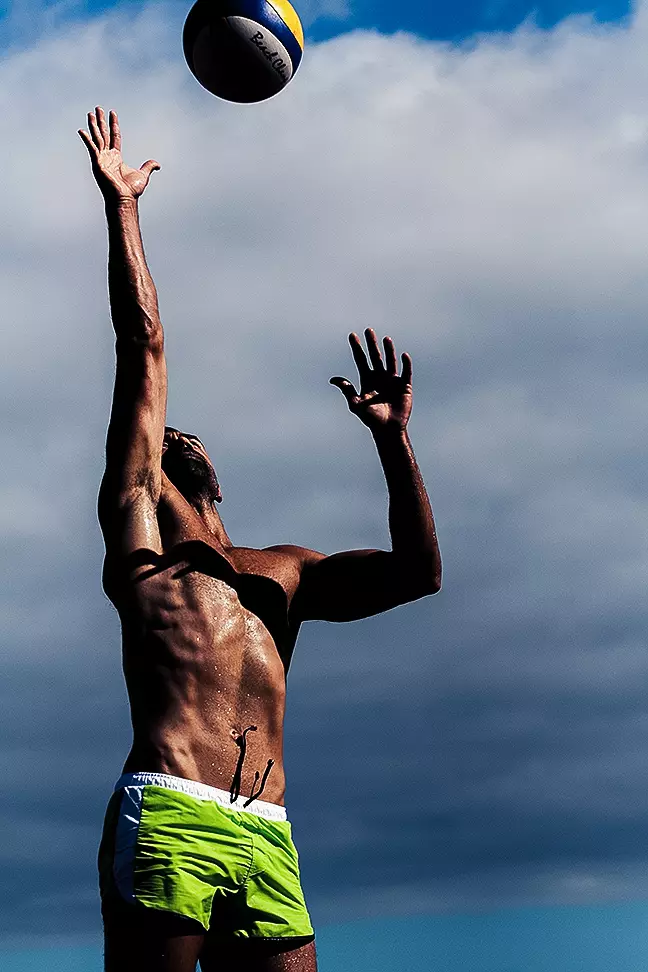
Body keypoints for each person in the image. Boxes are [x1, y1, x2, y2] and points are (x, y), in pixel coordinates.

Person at [79, 107, 442, 972]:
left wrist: (393, 441)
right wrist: (122, 207)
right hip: (171, 809)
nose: (178, 440)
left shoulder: (285, 573)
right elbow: (144, 343)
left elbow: (419, 574)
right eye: (164, 444)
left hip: (269, 832)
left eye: (187, 440)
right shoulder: (142, 549)